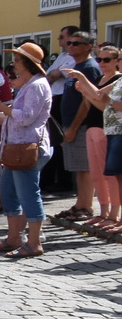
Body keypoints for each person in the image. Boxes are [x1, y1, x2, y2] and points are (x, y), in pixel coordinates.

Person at [0, 42, 53, 257]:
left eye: (17, 59)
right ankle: (14, 238)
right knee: (9, 192)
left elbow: (25, 118)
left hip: (28, 147)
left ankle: (33, 242)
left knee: (29, 195)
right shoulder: (30, 84)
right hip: (17, 147)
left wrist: (1, 106)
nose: (13, 63)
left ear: (27, 63)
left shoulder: (37, 85)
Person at [67, 47, 122, 232]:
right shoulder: (102, 80)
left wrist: (85, 85)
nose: (102, 63)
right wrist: (85, 91)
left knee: (111, 175)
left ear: (116, 60)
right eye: (100, 59)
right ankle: (103, 211)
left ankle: (114, 214)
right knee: (97, 174)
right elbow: (93, 100)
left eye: (107, 59)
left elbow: (102, 103)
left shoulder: (117, 79)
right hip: (96, 127)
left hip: (107, 129)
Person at [53, 31, 103, 222]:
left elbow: (86, 102)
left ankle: (87, 206)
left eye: (76, 43)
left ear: (88, 46)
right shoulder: (77, 65)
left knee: (85, 167)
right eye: (69, 43)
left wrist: (73, 126)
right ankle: (80, 203)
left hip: (82, 125)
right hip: (71, 123)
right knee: (78, 168)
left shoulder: (89, 68)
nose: (70, 46)